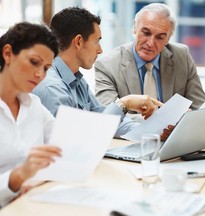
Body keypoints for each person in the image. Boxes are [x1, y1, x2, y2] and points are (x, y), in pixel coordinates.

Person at [33, 7, 164, 139]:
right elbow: (85, 138)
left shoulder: (75, 80)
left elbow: (104, 120)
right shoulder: (52, 87)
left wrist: (156, 131)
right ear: (78, 42)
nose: (100, 50)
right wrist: (124, 103)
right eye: (97, 41)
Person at [94, 3, 205, 110]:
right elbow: (107, 113)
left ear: (168, 38)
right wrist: (167, 121)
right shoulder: (108, 65)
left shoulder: (182, 56)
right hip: (132, 130)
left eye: (160, 37)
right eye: (146, 33)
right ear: (134, 27)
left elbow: (200, 106)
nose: (151, 43)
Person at [0, 22, 60, 207]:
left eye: (46, 68)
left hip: (31, 203)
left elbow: (63, 145)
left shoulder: (34, 105)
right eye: (34, 62)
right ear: (8, 53)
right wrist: (16, 178)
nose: (39, 74)